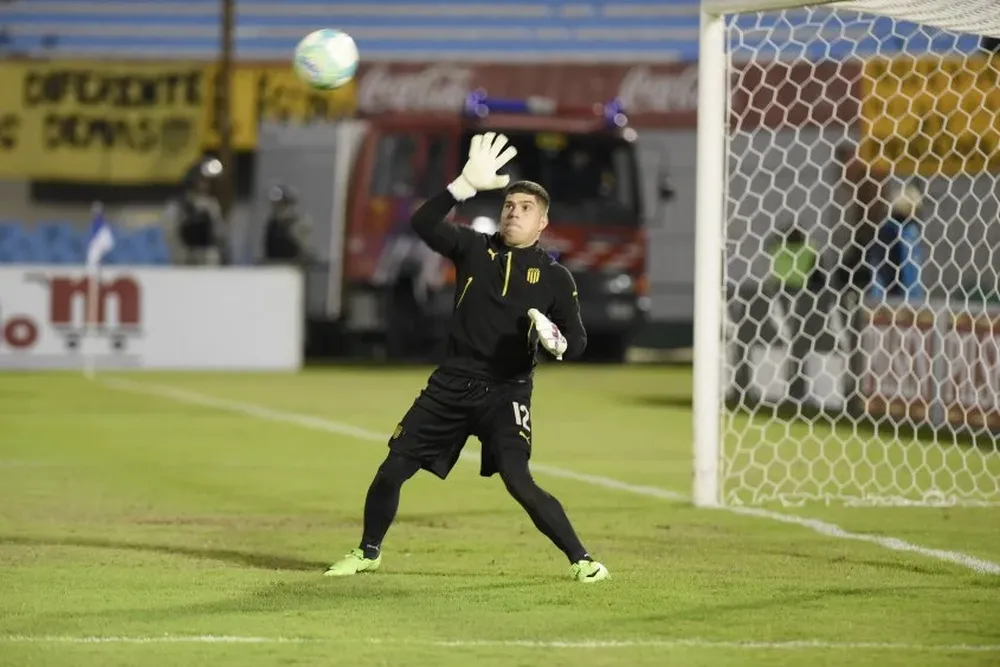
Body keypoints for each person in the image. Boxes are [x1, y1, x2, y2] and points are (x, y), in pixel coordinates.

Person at [324, 132, 609, 583]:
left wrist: (558, 344)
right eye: (509, 206)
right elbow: (422, 223)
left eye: (526, 209)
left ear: (543, 223)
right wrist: (461, 186)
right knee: (392, 469)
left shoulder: (555, 278)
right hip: (451, 384)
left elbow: (578, 340)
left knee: (519, 480)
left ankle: (584, 561)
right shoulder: (475, 249)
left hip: (507, 390)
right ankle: (368, 551)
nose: (514, 213)